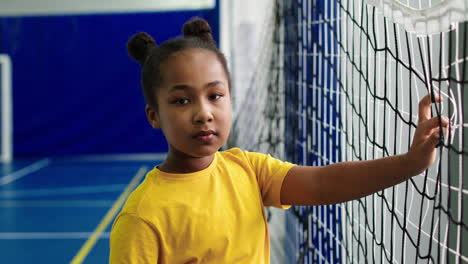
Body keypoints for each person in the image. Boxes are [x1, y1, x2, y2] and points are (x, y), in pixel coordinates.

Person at [109, 17, 449, 264]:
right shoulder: (143, 216)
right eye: (182, 100)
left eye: (215, 95)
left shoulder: (247, 169)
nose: (204, 113)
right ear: (153, 116)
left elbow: (322, 183)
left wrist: (411, 162)